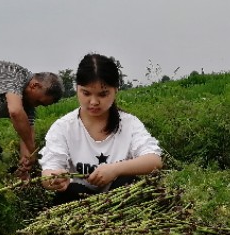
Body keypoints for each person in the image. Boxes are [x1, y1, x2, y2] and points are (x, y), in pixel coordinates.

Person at [40, 53, 162, 203]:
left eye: (103, 94)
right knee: (71, 191)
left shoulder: (129, 124)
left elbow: (154, 160)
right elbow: (48, 171)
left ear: (115, 90)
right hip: (80, 204)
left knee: (128, 181)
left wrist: (115, 170)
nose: (93, 102)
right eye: (86, 93)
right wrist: (55, 178)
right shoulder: (63, 127)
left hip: (120, 201)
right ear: (77, 88)